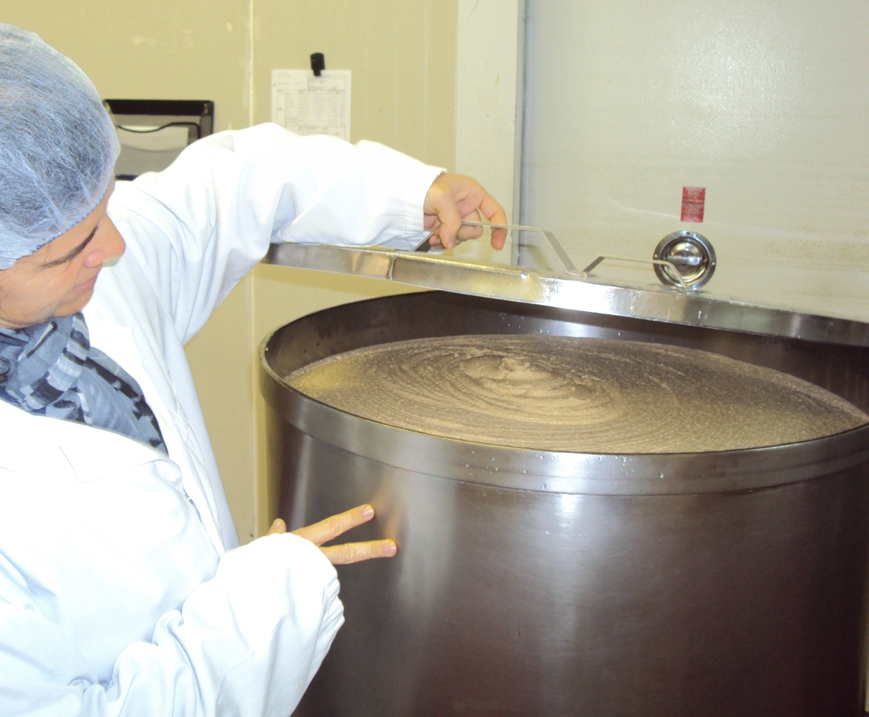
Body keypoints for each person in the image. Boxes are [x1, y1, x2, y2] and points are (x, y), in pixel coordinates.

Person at [0, 22, 507, 716]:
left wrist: (407, 193)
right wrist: (267, 602)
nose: (114, 246)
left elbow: (233, 183)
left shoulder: (83, 276)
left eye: (106, 206)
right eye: (73, 246)